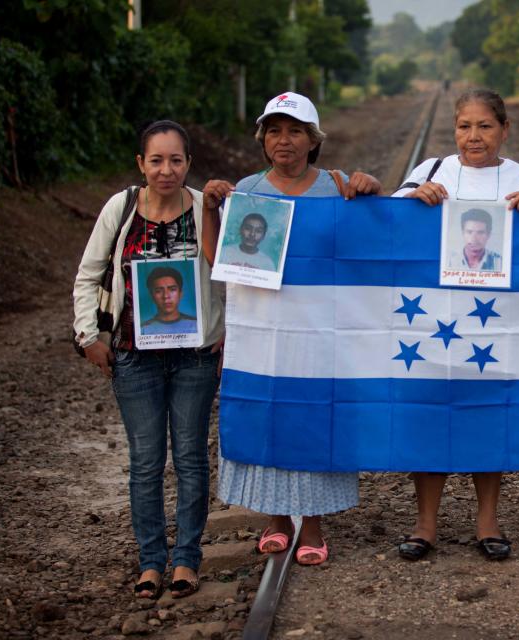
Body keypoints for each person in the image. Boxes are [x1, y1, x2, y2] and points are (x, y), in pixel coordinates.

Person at [202, 92, 381, 566]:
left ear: (313, 140)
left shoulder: (337, 187)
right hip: (264, 333)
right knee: (270, 416)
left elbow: (375, 241)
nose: (285, 140)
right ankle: (277, 520)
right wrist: (209, 210)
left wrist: (372, 189)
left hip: (323, 332)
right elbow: (219, 260)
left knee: (317, 417)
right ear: (263, 140)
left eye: (295, 130)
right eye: (275, 131)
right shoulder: (248, 191)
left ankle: (315, 525)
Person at [393, 88, 519, 561]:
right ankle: (425, 523)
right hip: (433, 322)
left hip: (495, 325)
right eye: (465, 126)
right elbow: (389, 233)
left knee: (488, 415)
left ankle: (488, 519)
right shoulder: (430, 172)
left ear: (505, 130)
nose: (474, 136)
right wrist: (412, 200)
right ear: (454, 130)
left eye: (485, 126)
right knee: (431, 414)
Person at [73, 120, 224, 599]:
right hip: (133, 358)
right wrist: (87, 337)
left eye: (176, 160)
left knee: (192, 458)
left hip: (195, 358)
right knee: (145, 461)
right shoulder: (120, 208)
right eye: (156, 160)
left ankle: (186, 560)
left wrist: (226, 333)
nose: (166, 169)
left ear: (188, 164)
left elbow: (232, 273)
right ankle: (151, 561)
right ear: (141, 164)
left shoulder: (206, 207)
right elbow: (87, 276)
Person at [142, 266, 198, 334]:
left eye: (172, 290)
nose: (166, 296)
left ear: (180, 294)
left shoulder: (196, 324)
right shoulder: (143, 329)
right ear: (151, 296)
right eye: (158, 291)